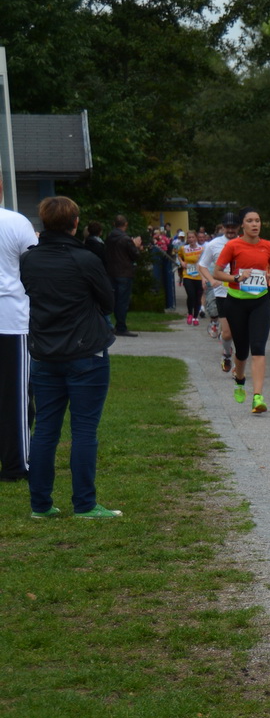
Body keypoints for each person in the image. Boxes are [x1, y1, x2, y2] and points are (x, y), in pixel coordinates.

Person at [20, 196, 120, 519]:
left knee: (46, 429)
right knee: (84, 429)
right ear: (75, 223)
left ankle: (41, 504)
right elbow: (107, 301)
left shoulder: (29, 260)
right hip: (86, 352)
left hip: (45, 353)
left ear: (43, 223)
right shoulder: (85, 259)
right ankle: (85, 504)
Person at [214, 209, 270, 414]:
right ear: (243, 225)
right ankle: (240, 379)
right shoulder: (233, 246)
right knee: (241, 351)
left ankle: (258, 396)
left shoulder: (268, 246)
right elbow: (217, 272)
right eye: (250, 221)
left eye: (257, 220)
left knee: (258, 347)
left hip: (260, 302)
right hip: (236, 303)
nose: (254, 224)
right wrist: (235, 278)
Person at [0, 206, 37, 482]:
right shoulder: (16, 222)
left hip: (11, 317)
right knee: (15, 396)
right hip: (10, 319)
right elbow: (35, 266)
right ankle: (16, 465)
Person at [199, 213, 240, 367]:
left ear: (238, 227)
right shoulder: (214, 244)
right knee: (228, 333)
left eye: (233, 227)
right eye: (227, 227)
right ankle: (226, 353)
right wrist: (211, 280)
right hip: (222, 293)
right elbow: (202, 265)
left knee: (240, 332)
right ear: (223, 227)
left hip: (242, 293)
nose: (230, 230)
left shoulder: (245, 242)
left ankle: (238, 364)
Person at [103, 215, 141, 337]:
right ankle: (121, 326)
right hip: (124, 273)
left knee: (113, 299)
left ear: (114, 224)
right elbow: (135, 255)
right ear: (126, 224)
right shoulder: (125, 239)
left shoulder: (109, 237)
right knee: (122, 301)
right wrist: (136, 246)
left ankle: (110, 324)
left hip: (111, 272)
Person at [178, 228, 206, 326]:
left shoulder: (202, 249)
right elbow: (179, 256)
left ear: (196, 238)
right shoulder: (184, 248)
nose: (191, 239)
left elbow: (205, 262)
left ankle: (195, 317)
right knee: (191, 295)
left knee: (198, 298)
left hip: (199, 276)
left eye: (193, 237)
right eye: (189, 237)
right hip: (187, 275)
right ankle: (190, 313)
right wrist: (182, 262)